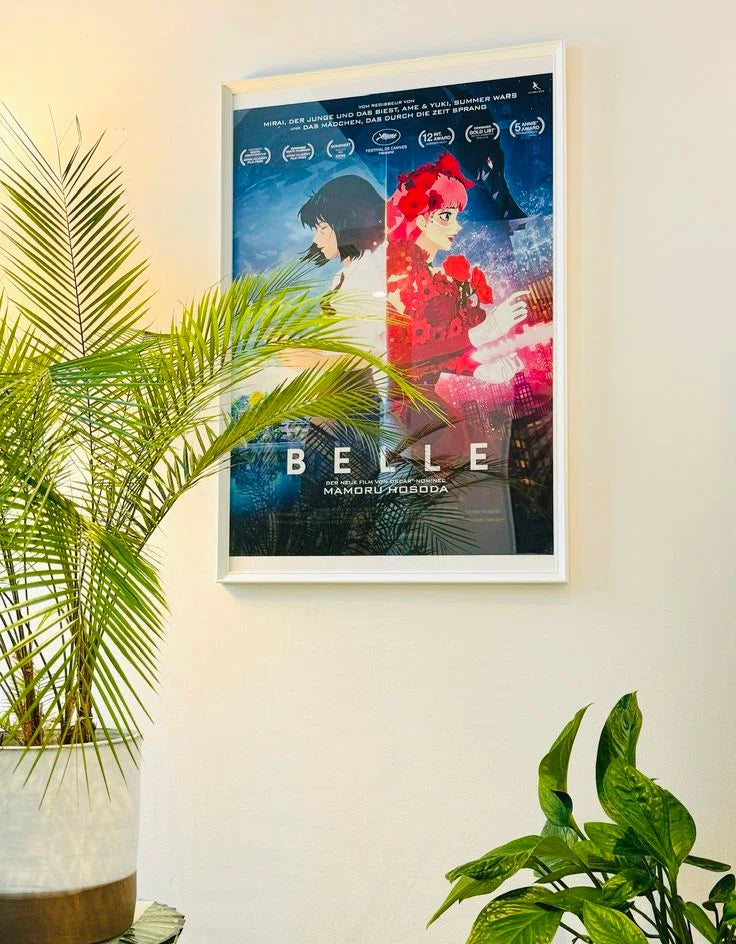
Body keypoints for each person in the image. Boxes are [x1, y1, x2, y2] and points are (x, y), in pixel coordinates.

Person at [385, 152, 530, 553]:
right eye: (445, 216)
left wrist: (480, 368)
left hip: (428, 414)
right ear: (419, 218)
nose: (456, 225)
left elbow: (430, 355)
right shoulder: (399, 275)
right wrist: (483, 334)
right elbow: (407, 355)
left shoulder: (432, 277)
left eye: (456, 215)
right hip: (405, 414)